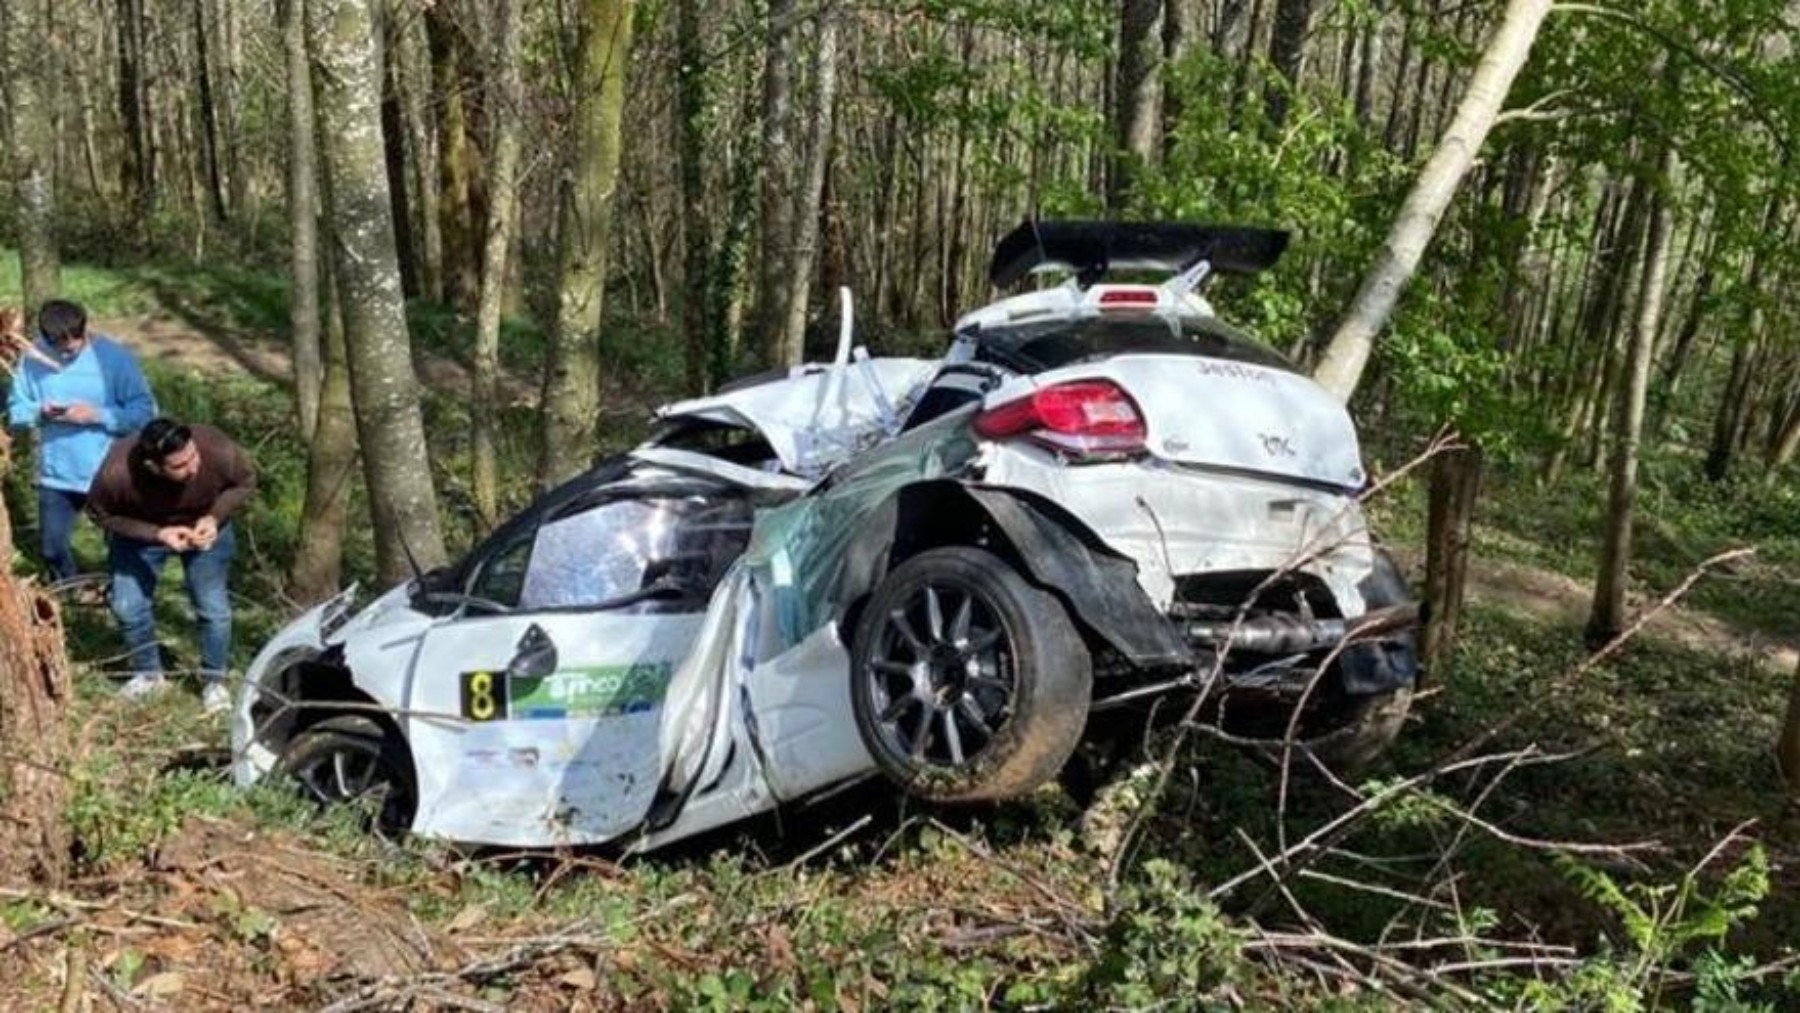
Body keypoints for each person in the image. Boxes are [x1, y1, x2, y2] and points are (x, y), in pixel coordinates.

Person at [86, 418, 255, 713]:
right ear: (154, 467)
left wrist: (214, 517)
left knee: (212, 607)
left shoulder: (216, 447)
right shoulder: (117, 473)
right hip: (142, 530)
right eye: (180, 466)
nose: (193, 467)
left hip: (206, 527)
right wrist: (156, 534)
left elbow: (244, 482)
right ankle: (149, 674)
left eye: (193, 457)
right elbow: (102, 515)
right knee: (128, 605)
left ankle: (214, 680)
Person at [4, 300, 157, 587]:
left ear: (84, 327)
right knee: (51, 547)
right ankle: (73, 591)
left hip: (109, 472)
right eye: (60, 343)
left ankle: (123, 593)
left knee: (121, 546)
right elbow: (17, 411)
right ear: (45, 337)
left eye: (76, 339)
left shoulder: (114, 358)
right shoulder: (32, 360)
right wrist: (41, 413)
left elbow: (145, 412)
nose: (70, 347)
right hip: (57, 475)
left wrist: (97, 416)